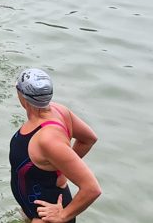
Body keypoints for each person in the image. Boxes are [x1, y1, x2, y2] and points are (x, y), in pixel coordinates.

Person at [10, 68, 102, 223]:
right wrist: (62, 169)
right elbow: (88, 139)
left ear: (24, 97)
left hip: (46, 216)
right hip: (36, 207)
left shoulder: (47, 139)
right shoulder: (59, 111)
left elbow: (92, 188)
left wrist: (63, 215)